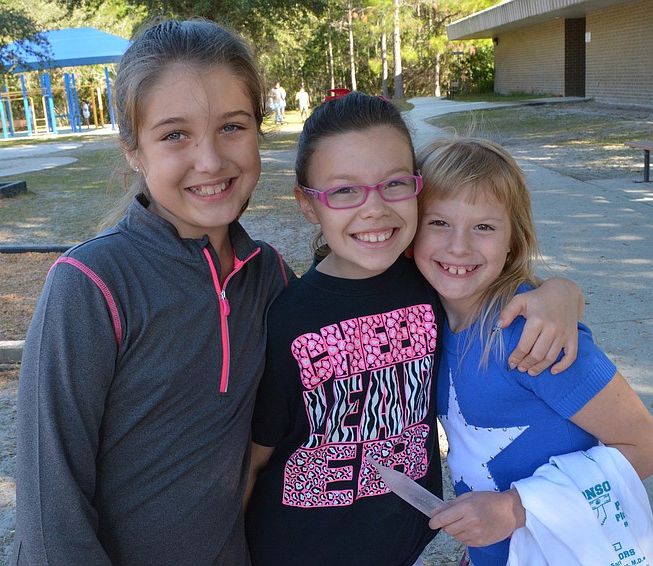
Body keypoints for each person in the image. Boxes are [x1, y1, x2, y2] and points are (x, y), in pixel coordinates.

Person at [244, 93, 585, 565]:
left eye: (394, 184)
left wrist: (563, 292)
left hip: (400, 543)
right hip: (297, 549)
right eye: (344, 190)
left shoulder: (432, 280)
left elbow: (504, 283)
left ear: (417, 189)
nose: (374, 209)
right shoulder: (286, 320)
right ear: (307, 203)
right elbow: (256, 459)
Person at [10, 19, 294, 565]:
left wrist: (498, 298)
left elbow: (352, 329)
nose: (209, 160)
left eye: (232, 126)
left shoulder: (269, 276)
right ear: (133, 151)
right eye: (174, 135)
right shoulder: (90, 286)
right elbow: (50, 508)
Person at [414, 138, 653, 565]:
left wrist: (514, 509)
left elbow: (647, 448)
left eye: (484, 226)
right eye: (438, 222)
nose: (458, 246)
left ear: (513, 241)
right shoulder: (424, 318)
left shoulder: (532, 333)